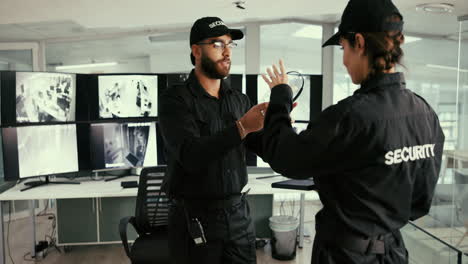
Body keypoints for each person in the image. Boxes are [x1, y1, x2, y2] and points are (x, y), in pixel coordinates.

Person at [260, 0, 445, 263]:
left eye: (343, 48)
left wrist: (280, 96)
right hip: (394, 253)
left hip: (346, 256)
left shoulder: (349, 117)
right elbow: (419, 202)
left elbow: (287, 158)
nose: (344, 61)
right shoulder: (426, 114)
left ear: (359, 42)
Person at [159, 16, 268, 264]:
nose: (227, 51)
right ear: (196, 50)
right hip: (194, 221)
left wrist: (278, 124)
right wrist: (241, 127)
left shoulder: (239, 100)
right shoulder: (175, 100)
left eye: (230, 44)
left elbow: (263, 146)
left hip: (238, 217)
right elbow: (191, 154)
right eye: (217, 44)